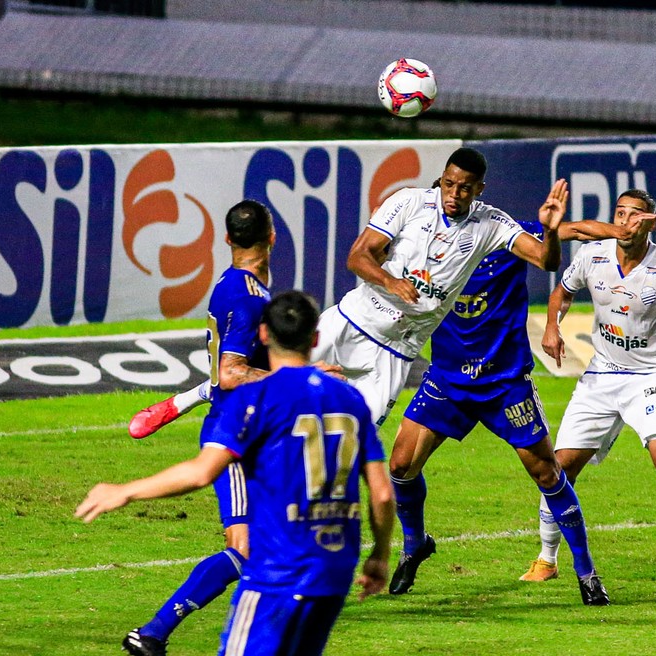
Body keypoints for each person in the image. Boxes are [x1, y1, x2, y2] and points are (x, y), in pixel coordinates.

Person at [76, 290, 395, 656]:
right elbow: (383, 494)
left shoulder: (256, 398)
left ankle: (155, 631)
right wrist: (380, 556)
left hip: (276, 572)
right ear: (316, 338)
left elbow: (200, 473)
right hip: (334, 571)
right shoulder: (350, 399)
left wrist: (127, 490)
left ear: (262, 335)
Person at [386, 211, 644, 604]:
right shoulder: (426, 250)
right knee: (401, 467)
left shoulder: (502, 235)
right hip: (448, 379)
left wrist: (617, 231)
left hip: (504, 384)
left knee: (547, 473)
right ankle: (414, 544)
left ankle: (586, 572)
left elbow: (567, 231)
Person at [523, 188, 656, 600]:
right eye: (619, 213)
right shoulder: (593, 256)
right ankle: (547, 559)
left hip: (652, 377)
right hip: (601, 376)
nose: (625, 221)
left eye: (634, 215)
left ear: (650, 222)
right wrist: (552, 326)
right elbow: (561, 293)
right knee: (557, 467)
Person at [310, 147, 565, 430]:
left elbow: (546, 260)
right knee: (272, 386)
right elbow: (357, 257)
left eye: (465, 188)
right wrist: (390, 282)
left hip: (396, 351)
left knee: (356, 439)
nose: (454, 194)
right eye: (449, 184)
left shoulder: (491, 223)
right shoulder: (409, 201)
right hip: (351, 321)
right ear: (442, 178)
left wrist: (551, 232)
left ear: (480, 189)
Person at [119, 199, 274, 656]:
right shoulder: (245, 296)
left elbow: (222, 377)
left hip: (251, 433)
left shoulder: (239, 287)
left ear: (227, 239)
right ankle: (152, 632)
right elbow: (230, 373)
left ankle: (157, 634)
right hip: (235, 439)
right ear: (272, 236)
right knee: (246, 548)